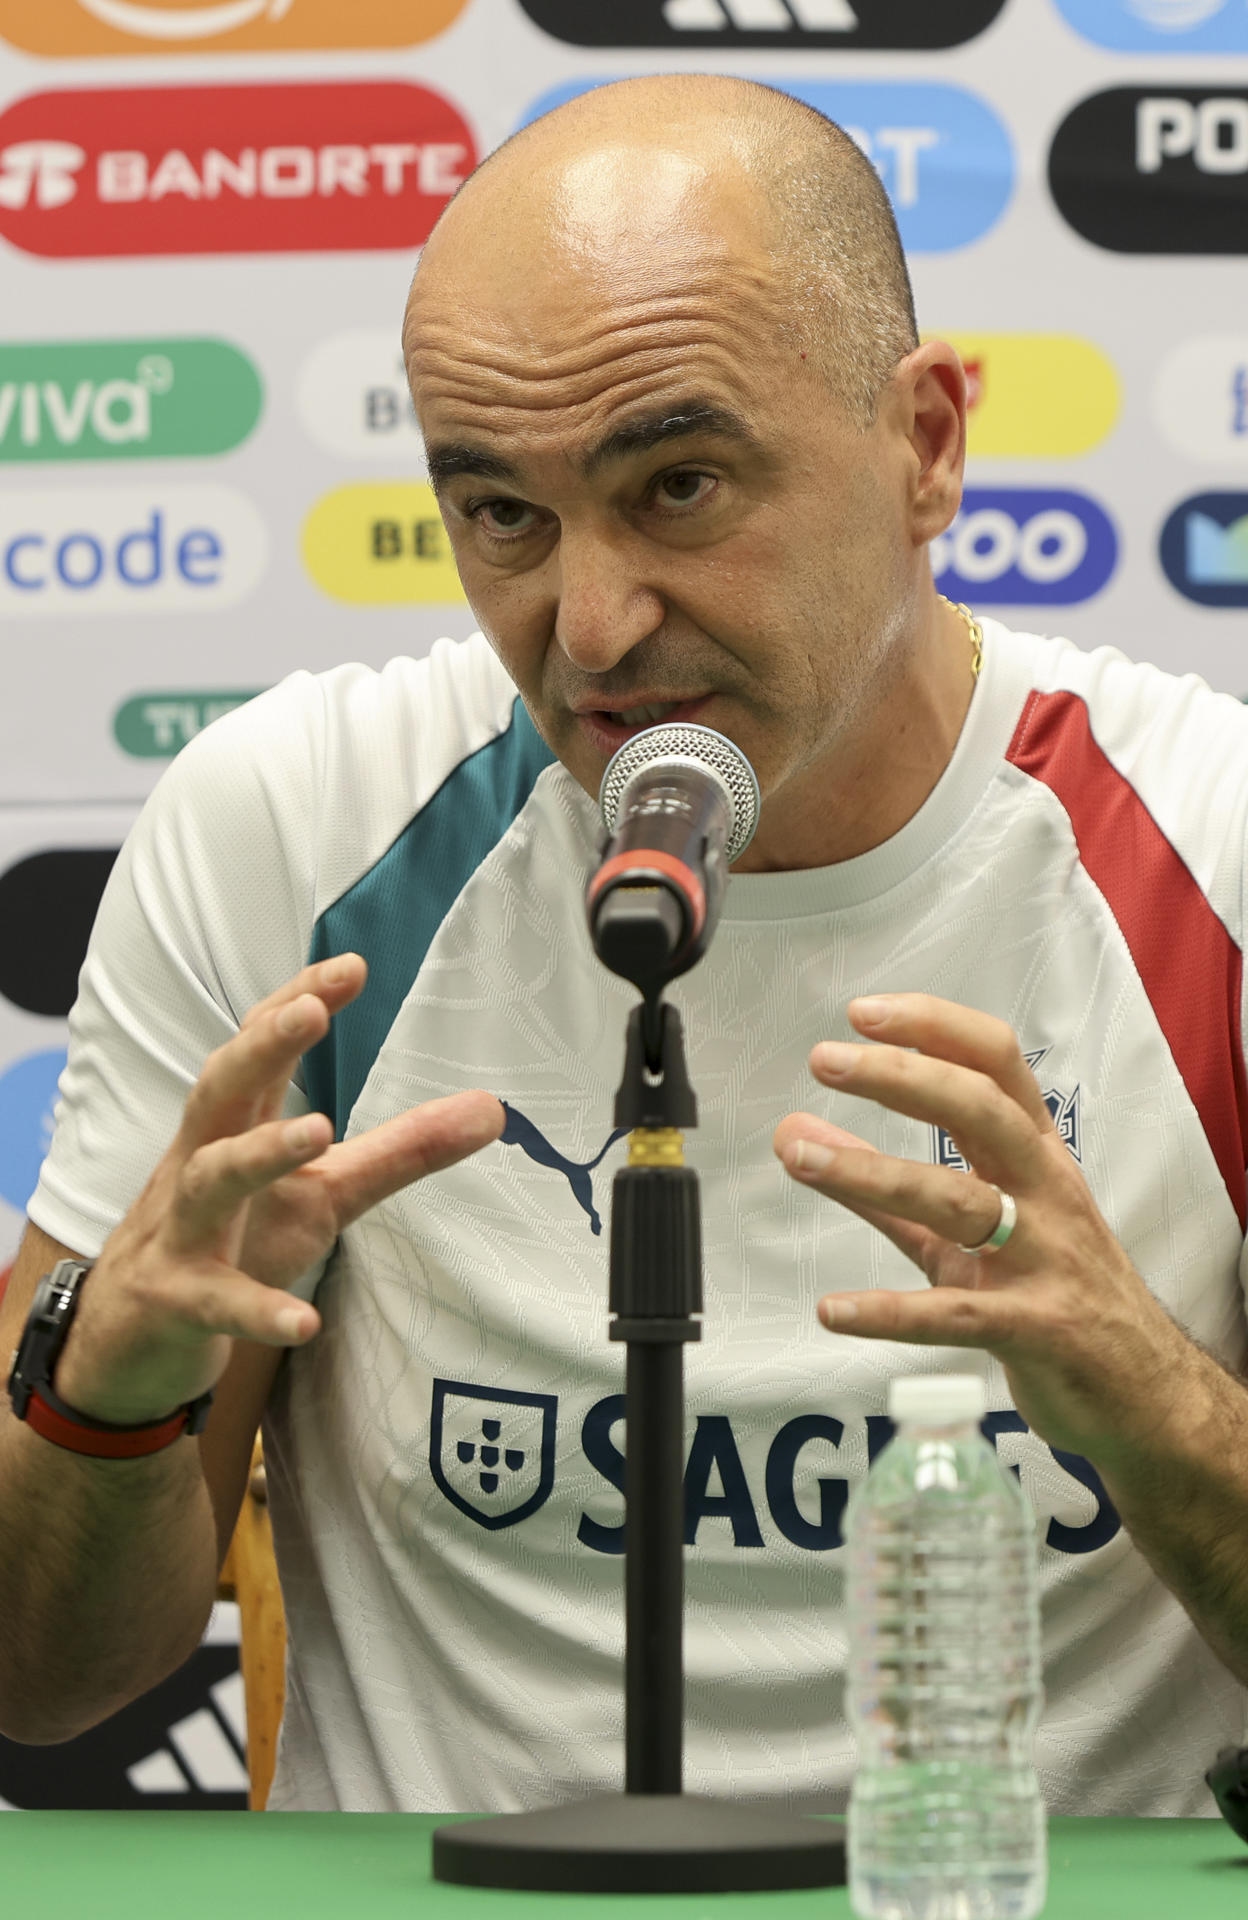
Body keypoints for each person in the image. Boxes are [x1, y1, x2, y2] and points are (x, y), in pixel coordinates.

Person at [2, 73, 1247, 1818]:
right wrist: (105, 1392)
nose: (590, 628)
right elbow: (42, 1682)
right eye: (501, 512)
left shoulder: (1216, 846)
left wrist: (1158, 1407)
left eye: (678, 485)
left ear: (929, 449)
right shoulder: (295, 827)